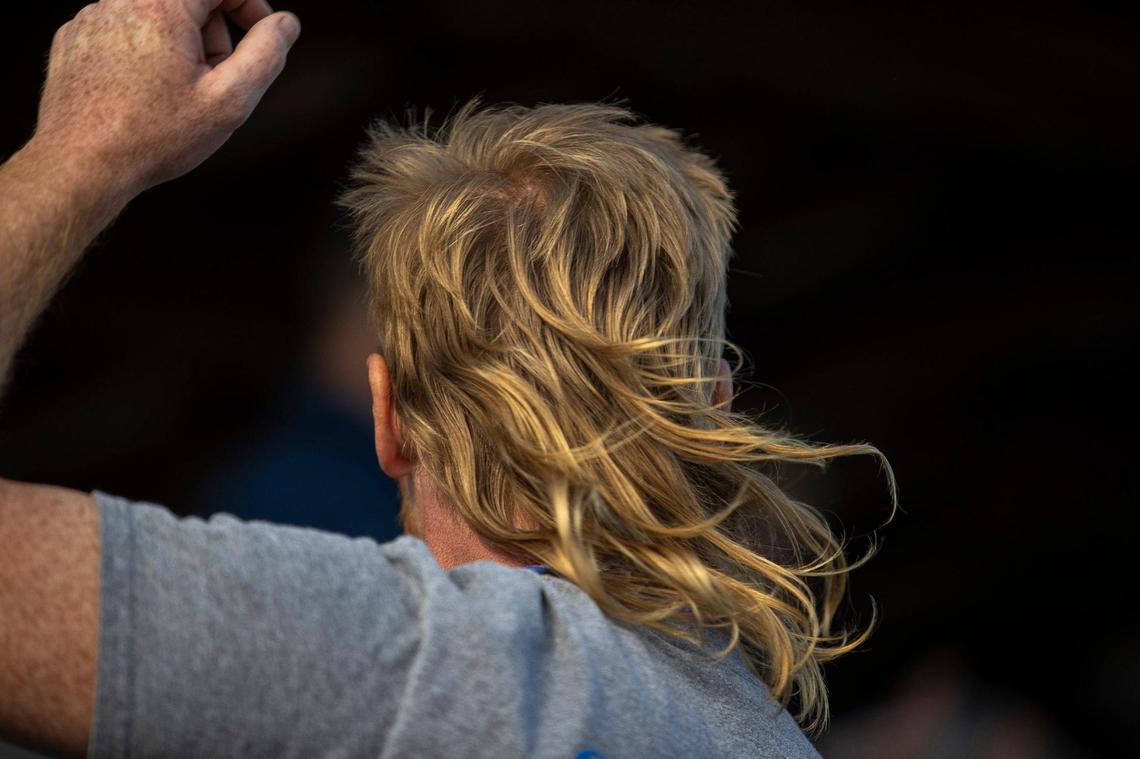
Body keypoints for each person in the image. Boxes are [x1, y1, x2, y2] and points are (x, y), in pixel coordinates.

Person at [0, 1, 892, 757]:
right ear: (711, 412)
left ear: (387, 416)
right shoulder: (762, 738)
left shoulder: (407, 664)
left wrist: (85, 147)